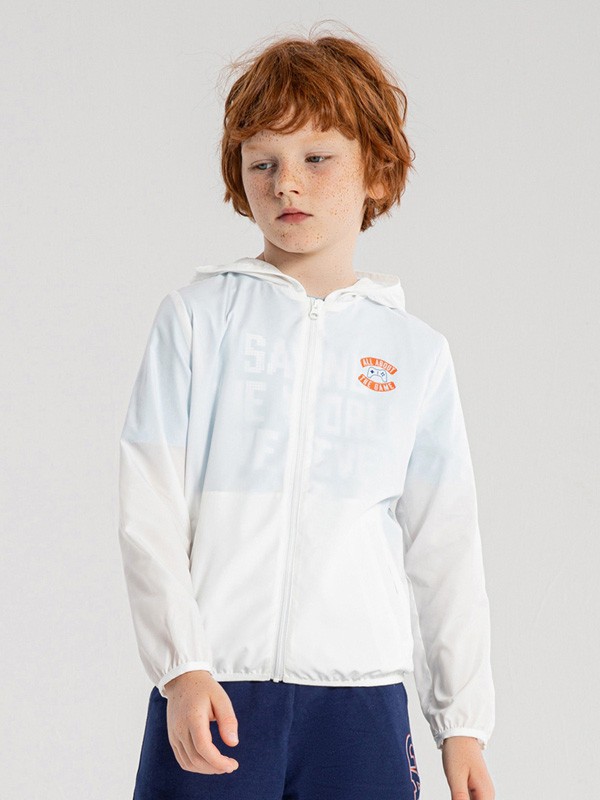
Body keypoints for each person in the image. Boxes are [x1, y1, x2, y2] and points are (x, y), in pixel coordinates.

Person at [118, 24, 496, 800]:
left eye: (316, 158)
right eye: (263, 163)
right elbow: (149, 509)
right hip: (216, 691)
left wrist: (462, 722)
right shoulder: (197, 321)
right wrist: (182, 666)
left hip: (360, 703)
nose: (286, 183)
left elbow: (446, 546)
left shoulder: (416, 353)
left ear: (376, 171)